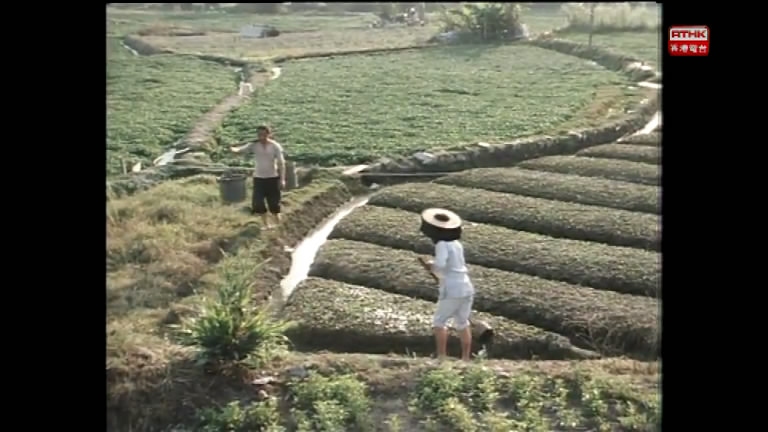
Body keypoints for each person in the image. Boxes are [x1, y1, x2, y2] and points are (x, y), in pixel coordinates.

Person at [420, 208, 475, 361]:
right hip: (466, 286)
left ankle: (441, 358)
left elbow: (441, 265)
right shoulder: (457, 244)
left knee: (439, 322)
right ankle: (465, 359)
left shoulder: (442, 244)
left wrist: (431, 265)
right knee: (462, 323)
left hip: (453, 288)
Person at [230, 125, 286, 229]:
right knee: (258, 202)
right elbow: (239, 151)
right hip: (259, 178)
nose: (261, 137)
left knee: (274, 204)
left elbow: (281, 163)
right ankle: (266, 225)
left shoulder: (275, 146)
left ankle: (279, 225)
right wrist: (232, 148)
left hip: (272, 178)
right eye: (259, 134)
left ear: (268, 134)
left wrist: (282, 179)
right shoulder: (253, 145)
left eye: (264, 134)